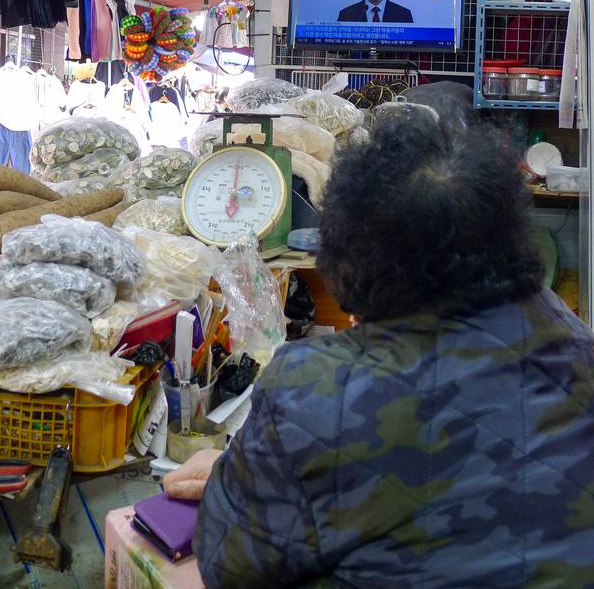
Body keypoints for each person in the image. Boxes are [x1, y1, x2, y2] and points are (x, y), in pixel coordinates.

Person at [164, 103, 594, 588]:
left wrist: (235, 479)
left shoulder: (310, 391)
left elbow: (230, 567)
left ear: (348, 258)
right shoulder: (575, 339)